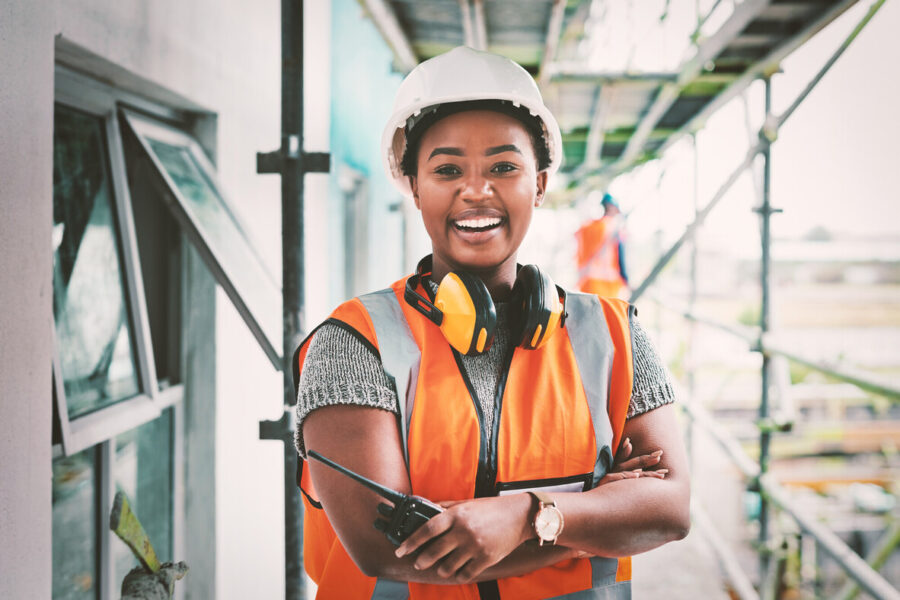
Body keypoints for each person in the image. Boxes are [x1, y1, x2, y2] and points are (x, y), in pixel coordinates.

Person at [293, 46, 689, 599]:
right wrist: (592, 512)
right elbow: (385, 548)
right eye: (447, 169)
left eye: (504, 166)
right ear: (413, 185)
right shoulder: (354, 342)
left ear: (541, 182)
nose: (476, 190)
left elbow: (669, 509)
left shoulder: (614, 334)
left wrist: (525, 517)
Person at [575, 193, 630, 299]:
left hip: (586, 282)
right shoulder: (613, 228)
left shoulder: (586, 228)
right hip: (608, 284)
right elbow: (620, 256)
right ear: (611, 207)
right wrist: (626, 279)